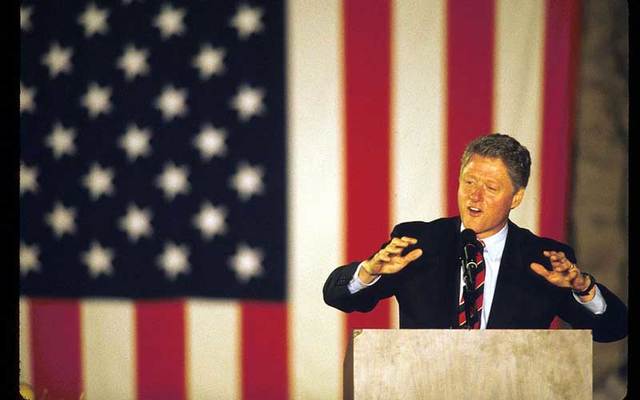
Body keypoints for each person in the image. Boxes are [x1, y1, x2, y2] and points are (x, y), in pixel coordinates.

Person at [323, 133, 627, 342]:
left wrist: (584, 289)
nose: (474, 195)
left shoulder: (544, 260)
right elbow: (338, 297)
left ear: (517, 197)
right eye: (468, 181)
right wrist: (368, 272)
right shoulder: (418, 243)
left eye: (491, 188)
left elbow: (613, 328)